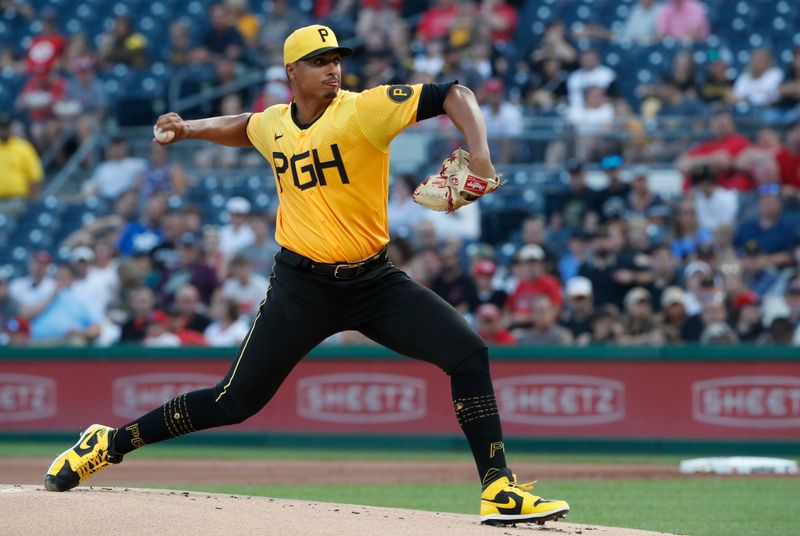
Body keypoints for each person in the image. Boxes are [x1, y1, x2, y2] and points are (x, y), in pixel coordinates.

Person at [43, 24, 569, 525]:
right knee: (233, 402)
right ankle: (107, 444)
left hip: (373, 282)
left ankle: (499, 487)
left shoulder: (365, 110)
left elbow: (455, 92)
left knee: (469, 354)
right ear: (292, 71)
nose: (333, 69)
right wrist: (190, 129)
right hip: (301, 287)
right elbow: (246, 128)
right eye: (320, 61)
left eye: (337, 59)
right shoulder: (275, 121)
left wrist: (479, 154)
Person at [0, 113, 43, 215]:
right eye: (1, 127)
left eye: (6, 127)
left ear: (10, 128)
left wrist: (33, 203)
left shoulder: (23, 147)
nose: (3, 130)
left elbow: (34, 177)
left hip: (16, 201)